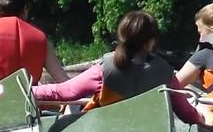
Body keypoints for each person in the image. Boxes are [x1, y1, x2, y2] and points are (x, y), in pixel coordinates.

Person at [31, 12, 197, 124]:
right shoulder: (165, 72)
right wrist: (205, 120)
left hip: (107, 131)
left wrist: (28, 91)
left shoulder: (104, 69)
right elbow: (186, 114)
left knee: (74, 107)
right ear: (151, 41)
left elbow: (63, 92)